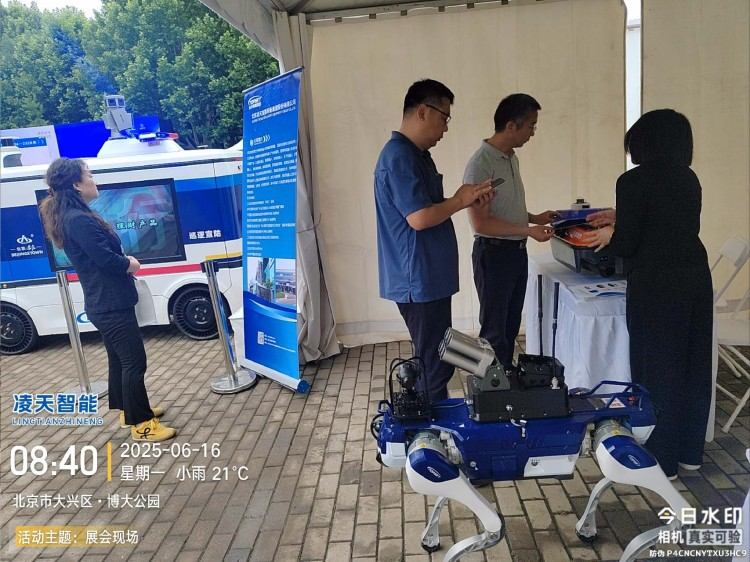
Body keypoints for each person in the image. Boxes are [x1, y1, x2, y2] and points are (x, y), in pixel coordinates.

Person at [581, 109, 712, 479]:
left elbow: (628, 243)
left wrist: (611, 233)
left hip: (656, 283)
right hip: (695, 277)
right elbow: (668, 222)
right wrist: (620, 216)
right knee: (692, 364)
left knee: (658, 368)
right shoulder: (688, 177)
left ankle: (662, 460)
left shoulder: (632, 180)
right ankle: (690, 453)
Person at [39, 158, 176, 442]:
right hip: (110, 303)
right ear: (77, 184)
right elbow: (104, 259)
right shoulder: (78, 220)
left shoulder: (74, 216)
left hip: (106, 302)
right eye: (89, 175)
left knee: (119, 360)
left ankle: (130, 411)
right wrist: (130, 264)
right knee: (134, 362)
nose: (94, 179)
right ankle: (142, 425)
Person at [375, 79, 493, 403]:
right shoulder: (399, 156)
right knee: (433, 365)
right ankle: (431, 426)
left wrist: (465, 200)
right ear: (423, 112)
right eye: (444, 118)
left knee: (440, 352)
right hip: (418, 279)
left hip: (430, 278)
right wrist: (460, 199)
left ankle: (464, 390)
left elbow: (431, 209)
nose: (445, 128)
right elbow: (419, 218)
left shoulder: (418, 155)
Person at [463, 94, 557, 367]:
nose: (532, 132)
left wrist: (534, 218)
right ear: (511, 126)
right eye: (530, 126)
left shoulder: (511, 158)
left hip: (515, 253)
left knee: (510, 325)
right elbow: (481, 223)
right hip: (493, 255)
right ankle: (490, 384)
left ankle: (504, 379)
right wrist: (528, 229)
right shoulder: (481, 164)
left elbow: (504, 209)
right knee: (494, 330)